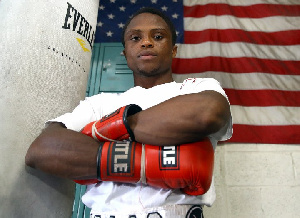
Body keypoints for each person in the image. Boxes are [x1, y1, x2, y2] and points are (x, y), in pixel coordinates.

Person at [25, 7, 232, 218]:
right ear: (124, 53)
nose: (146, 42)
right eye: (135, 38)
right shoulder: (99, 103)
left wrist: (104, 132)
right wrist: (148, 160)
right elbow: (42, 150)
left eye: (158, 36)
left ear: (173, 50)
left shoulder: (195, 88)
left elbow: (208, 113)